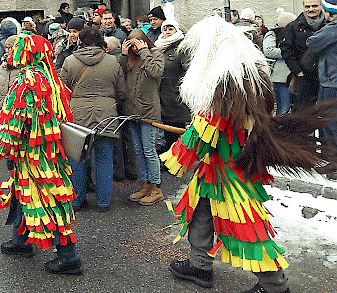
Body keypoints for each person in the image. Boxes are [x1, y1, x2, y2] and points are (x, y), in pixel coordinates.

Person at [161, 16, 330, 293]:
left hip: (231, 169)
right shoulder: (249, 76)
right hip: (216, 167)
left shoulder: (225, 83)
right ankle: (199, 266)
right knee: (201, 211)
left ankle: (275, 286)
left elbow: (206, 129)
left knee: (248, 225)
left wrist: (174, 158)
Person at [0, 34, 82, 274]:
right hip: (46, 151)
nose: (8, 54)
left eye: (13, 50)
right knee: (23, 194)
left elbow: (16, 120)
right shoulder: (51, 79)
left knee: (50, 202)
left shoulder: (27, 82)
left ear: (25, 53)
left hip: (35, 155)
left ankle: (69, 257)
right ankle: (20, 242)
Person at [60, 27, 126, 212]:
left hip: (78, 115)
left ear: (80, 41)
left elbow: (62, 90)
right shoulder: (112, 61)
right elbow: (121, 91)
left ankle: (77, 200)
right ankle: (103, 201)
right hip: (106, 114)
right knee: (105, 160)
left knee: (78, 159)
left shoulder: (70, 61)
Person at [120, 29, 164, 205]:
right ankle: (145, 184)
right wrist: (124, 55)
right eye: (132, 44)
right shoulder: (129, 58)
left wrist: (145, 52)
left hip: (148, 112)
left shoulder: (156, 54)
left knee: (149, 150)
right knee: (138, 151)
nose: (135, 47)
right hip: (132, 111)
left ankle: (156, 187)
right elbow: (119, 74)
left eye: (138, 43)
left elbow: (156, 72)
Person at [306, 0, 337, 177]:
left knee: (331, 124)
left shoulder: (333, 28)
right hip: (331, 81)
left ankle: (334, 166)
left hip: (332, 83)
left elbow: (313, 42)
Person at [281, 0, 326, 108]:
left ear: (321, 6)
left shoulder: (330, 25)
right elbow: (286, 51)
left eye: (314, 6)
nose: (311, 9)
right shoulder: (293, 27)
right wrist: (298, 72)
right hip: (304, 79)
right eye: (307, 6)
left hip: (327, 78)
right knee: (304, 115)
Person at [154, 17, 190, 150]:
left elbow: (188, 70)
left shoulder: (182, 47)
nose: (167, 32)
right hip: (161, 97)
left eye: (171, 29)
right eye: (165, 29)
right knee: (167, 133)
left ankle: (178, 163)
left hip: (176, 98)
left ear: (176, 30)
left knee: (177, 134)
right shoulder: (158, 46)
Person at [263, 11, 296, 115]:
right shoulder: (272, 34)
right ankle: (279, 128)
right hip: (280, 77)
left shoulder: (295, 34)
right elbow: (268, 51)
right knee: (283, 107)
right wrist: (289, 52)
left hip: (295, 75)